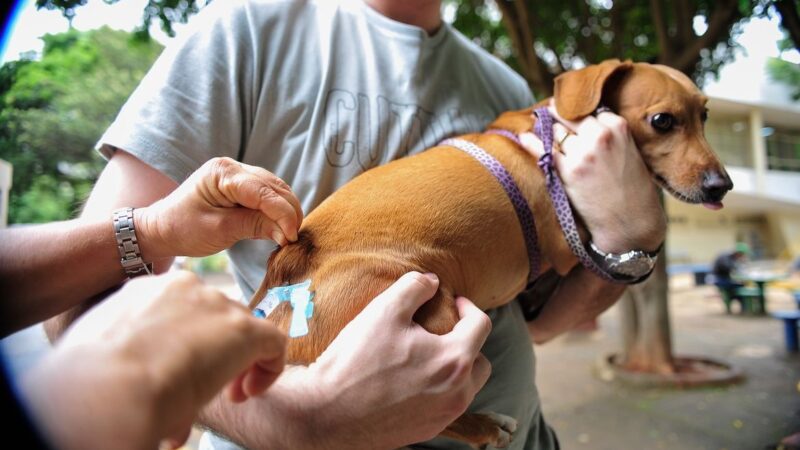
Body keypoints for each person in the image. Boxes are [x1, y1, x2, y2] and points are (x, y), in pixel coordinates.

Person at [44, 0, 666, 448]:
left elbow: (542, 323)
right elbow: (80, 304)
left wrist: (632, 242)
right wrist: (293, 420)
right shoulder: (245, 28)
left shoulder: (503, 87)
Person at [0, 160, 491, 449]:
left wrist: (154, 229)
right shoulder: (232, 38)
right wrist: (305, 419)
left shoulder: (500, 87)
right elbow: (76, 312)